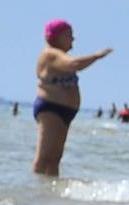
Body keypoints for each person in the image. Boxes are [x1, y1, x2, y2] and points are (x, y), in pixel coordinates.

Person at [30, 19, 112, 176]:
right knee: (43, 157)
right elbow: (74, 64)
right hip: (51, 108)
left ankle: (49, 194)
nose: (73, 39)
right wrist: (96, 56)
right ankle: (34, 193)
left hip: (64, 110)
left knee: (54, 159)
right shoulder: (50, 54)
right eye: (69, 35)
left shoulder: (60, 55)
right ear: (55, 37)